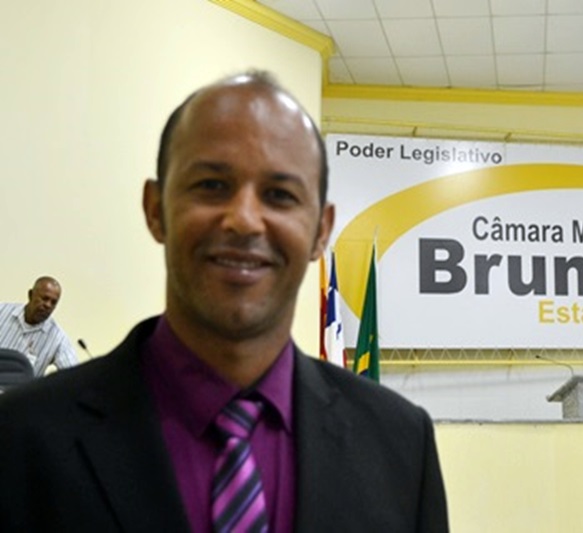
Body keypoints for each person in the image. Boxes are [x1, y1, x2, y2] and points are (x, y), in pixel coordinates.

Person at [0, 70, 448, 532]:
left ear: (321, 230)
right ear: (155, 209)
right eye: (212, 186)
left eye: (280, 195)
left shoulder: (400, 447)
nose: (245, 220)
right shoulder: (20, 438)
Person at [0, 275, 78, 377]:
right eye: (45, 298)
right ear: (30, 295)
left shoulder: (57, 338)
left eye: (53, 302)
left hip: (21, 387)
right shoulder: (2, 311)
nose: (48, 305)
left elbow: (73, 374)